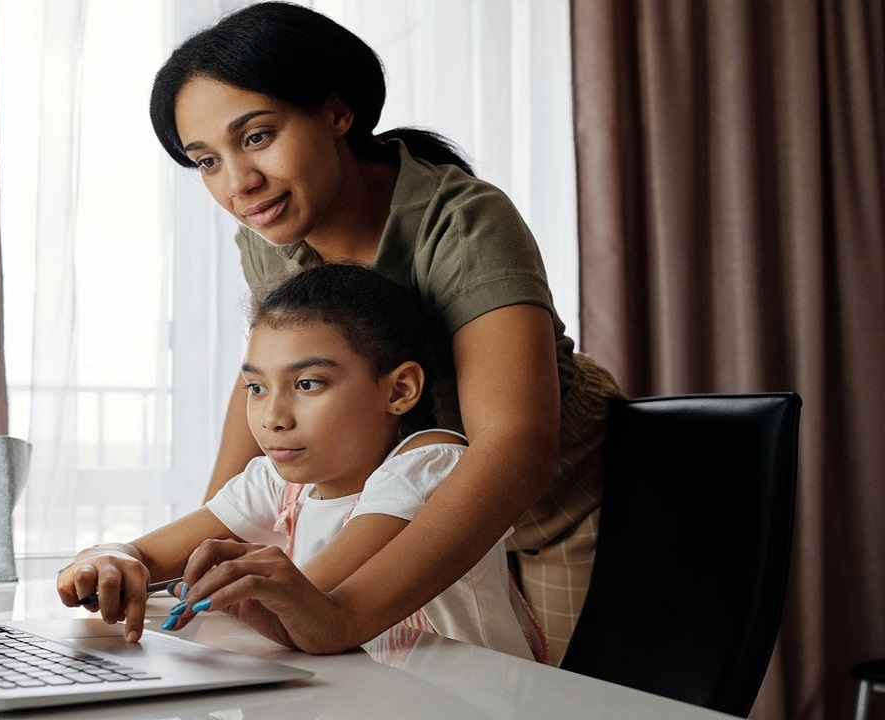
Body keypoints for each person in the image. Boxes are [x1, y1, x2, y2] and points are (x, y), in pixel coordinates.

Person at [147, 2, 624, 663]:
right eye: (206, 160)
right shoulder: (266, 233)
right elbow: (264, 378)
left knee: (552, 702)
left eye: (256, 137)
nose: (238, 183)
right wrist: (210, 551)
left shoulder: (462, 220)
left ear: (338, 113)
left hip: (550, 504)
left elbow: (516, 446)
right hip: (402, 505)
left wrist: (340, 613)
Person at [57, 264, 539, 660]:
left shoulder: (430, 465)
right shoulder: (278, 482)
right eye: (256, 387)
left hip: (472, 702)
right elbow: (145, 553)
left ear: (399, 390)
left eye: (308, 384)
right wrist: (109, 560)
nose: (272, 418)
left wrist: (203, 584)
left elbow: (310, 604)